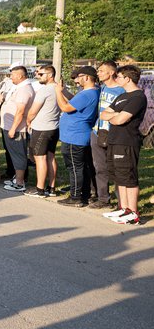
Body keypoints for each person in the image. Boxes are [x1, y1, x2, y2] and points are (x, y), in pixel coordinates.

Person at [100, 65, 147, 225]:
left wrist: (115, 116)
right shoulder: (122, 96)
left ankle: (133, 212)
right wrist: (117, 115)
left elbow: (121, 120)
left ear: (127, 78)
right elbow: (103, 114)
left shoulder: (138, 97)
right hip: (114, 139)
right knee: (118, 175)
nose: (117, 79)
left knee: (128, 176)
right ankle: (124, 208)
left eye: (119, 77)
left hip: (127, 142)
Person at [54, 66, 100, 207]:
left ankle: (75, 197)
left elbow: (66, 107)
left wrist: (57, 93)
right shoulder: (90, 92)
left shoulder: (87, 94)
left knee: (75, 168)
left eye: (79, 77)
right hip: (76, 135)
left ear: (86, 77)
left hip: (76, 137)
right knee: (81, 167)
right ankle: (84, 195)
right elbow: (75, 102)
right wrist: (64, 91)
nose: (76, 80)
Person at [89, 61, 124, 209]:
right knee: (99, 167)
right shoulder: (101, 88)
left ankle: (123, 202)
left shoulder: (122, 90)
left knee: (116, 169)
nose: (98, 73)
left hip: (114, 133)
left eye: (102, 71)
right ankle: (103, 198)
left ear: (111, 73)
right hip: (98, 131)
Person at [24, 65, 61, 197]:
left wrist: (28, 121)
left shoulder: (45, 90)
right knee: (51, 157)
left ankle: (40, 189)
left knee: (40, 158)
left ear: (50, 75)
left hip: (42, 128)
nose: (37, 76)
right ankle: (51, 187)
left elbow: (33, 111)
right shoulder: (59, 88)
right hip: (54, 127)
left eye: (41, 74)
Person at [0, 66, 35, 192]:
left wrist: (13, 128)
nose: (10, 77)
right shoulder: (19, 88)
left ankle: (20, 182)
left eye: (12, 75)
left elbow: (20, 112)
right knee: (13, 154)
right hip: (9, 126)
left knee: (19, 155)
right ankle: (16, 177)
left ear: (20, 76)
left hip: (17, 128)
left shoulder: (24, 90)